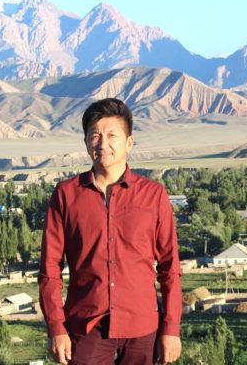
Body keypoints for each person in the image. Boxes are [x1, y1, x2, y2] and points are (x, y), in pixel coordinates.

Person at [38, 98, 182, 364]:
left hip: (142, 327)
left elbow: (169, 267)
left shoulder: (154, 195)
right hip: (86, 326)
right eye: (95, 136)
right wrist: (56, 327)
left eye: (112, 135)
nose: (103, 144)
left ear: (129, 142)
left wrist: (171, 328)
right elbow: (50, 269)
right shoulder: (66, 195)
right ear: (85, 142)